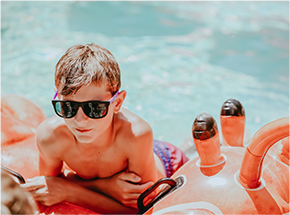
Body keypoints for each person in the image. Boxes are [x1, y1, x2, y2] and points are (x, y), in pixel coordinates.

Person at [21, 43, 189, 214]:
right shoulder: (50, 136)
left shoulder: (136, 134)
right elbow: (49, 187)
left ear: (117, 103)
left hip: (167, 161)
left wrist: (71, 191)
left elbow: (143, 210)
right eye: (68, 107)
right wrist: (106, 186)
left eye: (94, 108)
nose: (80, 121)